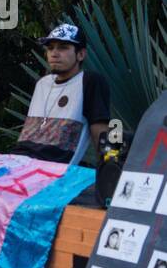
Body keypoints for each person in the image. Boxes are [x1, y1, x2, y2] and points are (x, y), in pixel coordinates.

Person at [9, 24, 110, 164]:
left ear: (80, 54)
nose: (54, 53)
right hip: (18, 161)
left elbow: (100, 131)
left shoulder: (89, 81)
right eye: (50, 48)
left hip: (52, 170)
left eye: (63, 47)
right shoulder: (42, 84)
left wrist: (109, 171)